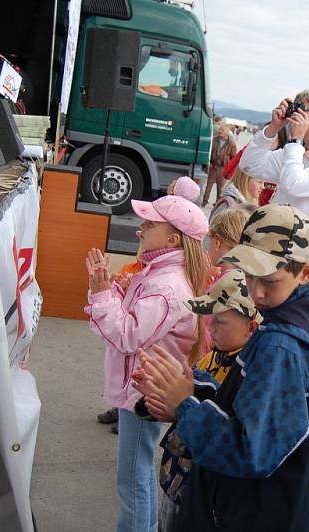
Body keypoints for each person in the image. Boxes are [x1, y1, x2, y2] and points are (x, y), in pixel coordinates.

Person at [132, 204, 309, 531]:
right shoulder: (297, 315)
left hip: (242, 514)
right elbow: (257, 409)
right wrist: (196, 391)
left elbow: (250, 451)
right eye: (250, 275)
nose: (257, 292)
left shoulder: (282, 347)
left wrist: (186, 407)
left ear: (306, 272)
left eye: (270, 280)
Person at [83, 195, 210, 532]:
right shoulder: (161, 275)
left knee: (133, 477)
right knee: (135, 473)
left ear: (173, 239)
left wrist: (101, 295)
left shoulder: (166, 284)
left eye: (150, 223)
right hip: (144, 385)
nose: (141, 228)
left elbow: (127, 335)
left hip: (143, 390)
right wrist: (116, 293)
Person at [143, 270, 261, 532]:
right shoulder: (212, 358)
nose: (210, 327)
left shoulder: (249, 372)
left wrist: (185, 398)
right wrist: (160, 398)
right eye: (210, 319)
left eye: (220, 321)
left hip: (205, 488)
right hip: (178, 478)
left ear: (251, 328)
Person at [238, 90, 309, 264]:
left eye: (302, 109)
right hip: (274, 249)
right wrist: (272, 129)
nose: (295, 115)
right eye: (294, 108)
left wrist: (296, 141)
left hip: (307, 262)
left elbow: (294, 184)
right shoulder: (296, 153)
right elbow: (249, 165)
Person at [203, 125, 237, 206]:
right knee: (209, 186)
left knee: (220, 188)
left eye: (222, 130)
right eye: (220, 130)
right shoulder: (214, 140)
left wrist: (229, 169)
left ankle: (217, 203)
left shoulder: (232, 144)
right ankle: (204, 201)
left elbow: (233, 158)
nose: (219, 131)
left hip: (223, 168)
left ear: (227, 132)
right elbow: (208, 152)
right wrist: (209, 163)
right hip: (213, 166)